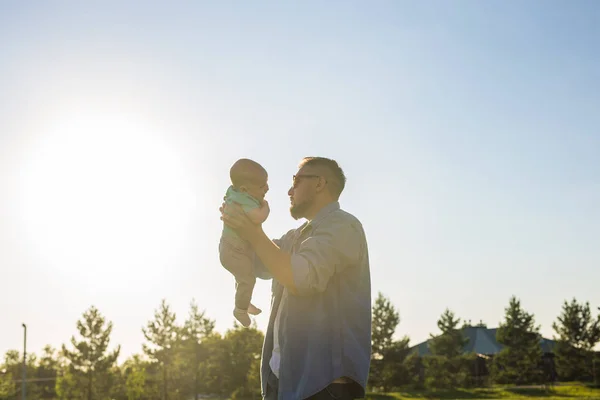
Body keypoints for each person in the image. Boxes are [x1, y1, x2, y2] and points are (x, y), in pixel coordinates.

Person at [221, 157, 371, 400]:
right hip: (280, 380)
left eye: (296, 181)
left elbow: (301, 279)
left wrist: (253, 232)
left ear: (320, 183)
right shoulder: (293, 237)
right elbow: (259, 265)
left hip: (322, 385)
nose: (289, 190)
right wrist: (236, 226)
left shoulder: (344, 226)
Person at [219, 158, 270, 327]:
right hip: (235, 251)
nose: (267, 188)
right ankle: (240, 309)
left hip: (230, 248)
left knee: (243, 278)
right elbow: (257, 217)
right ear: (244, 189)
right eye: (262, 186)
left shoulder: (235, 193)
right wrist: (265, 208)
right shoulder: (246, 200)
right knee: (248, 279)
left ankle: (244, 300)